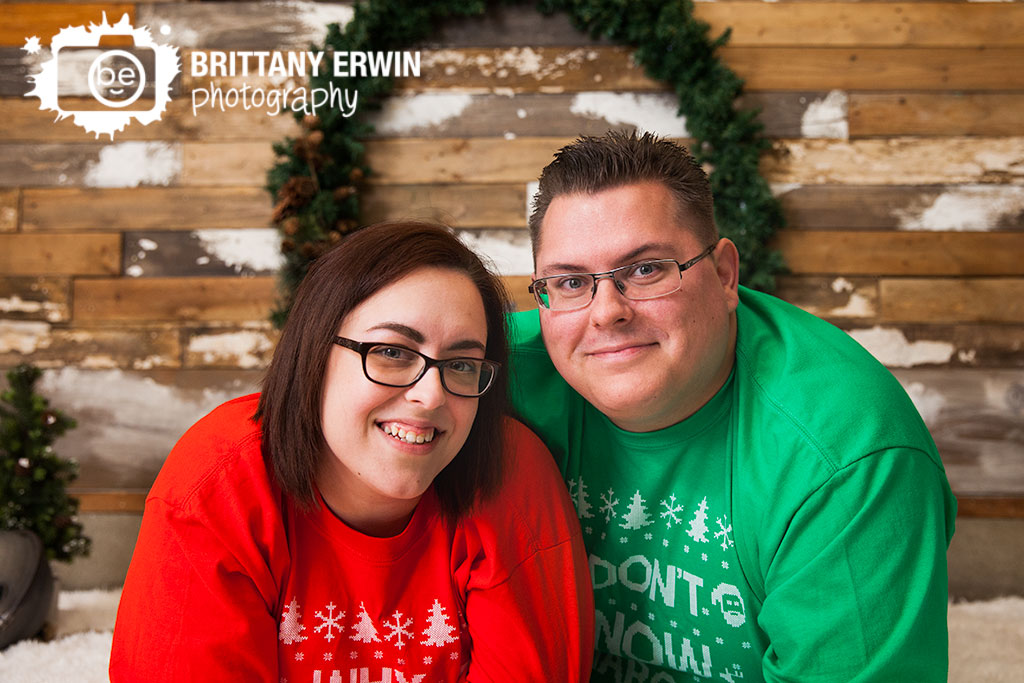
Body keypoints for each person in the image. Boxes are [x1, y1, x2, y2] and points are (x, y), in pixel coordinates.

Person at [507, 132, 956, 682]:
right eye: (571, 281)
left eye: (647, 269)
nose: (605, 314)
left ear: (723, 275)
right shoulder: (483, 377)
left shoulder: (845, 456)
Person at [110, 221, 594, 682]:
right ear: (315, 354)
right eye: (391, 352)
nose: (432, 395)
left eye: (462, 364)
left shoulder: (509, 467)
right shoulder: (218, 479)